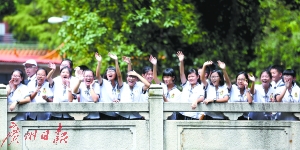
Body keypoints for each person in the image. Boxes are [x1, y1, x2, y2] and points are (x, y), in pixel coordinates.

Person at [150, 55, 181, 120]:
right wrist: (154, 65)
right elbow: (155, 78)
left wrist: (164, 97)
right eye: (164, 77)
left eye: (167, 77)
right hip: (160, 117)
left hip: (171, 119)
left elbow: (171, 107)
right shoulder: (163, 86)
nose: (165, 79)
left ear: (173, 78)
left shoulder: (177, 92)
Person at [176, 51, 205, 120]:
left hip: (193, 115)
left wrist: (196, 101)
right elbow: (181, 73)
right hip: (181, 114)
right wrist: (181, 61)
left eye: (192, 76)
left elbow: (202, 97)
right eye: (189, 77)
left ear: (198, 77)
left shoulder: (201, 87)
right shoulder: (186, 84)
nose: (190, 78)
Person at [95, 52, 122, 120]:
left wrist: (116, 61)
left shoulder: (118, 84)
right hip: (104, 113)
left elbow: (119, 76)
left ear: (115, 74)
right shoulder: (104, 82)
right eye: (108, 71)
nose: (110, 72)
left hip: (116, 114)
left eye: (112, 71)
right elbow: (97, 75)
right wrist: (99, 62)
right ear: (106, 74)